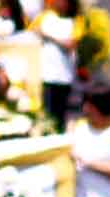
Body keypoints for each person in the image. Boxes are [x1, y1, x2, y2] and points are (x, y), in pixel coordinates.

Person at [35, 0, 82, 128]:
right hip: (48, 73)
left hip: (64, 74)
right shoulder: (45, 17)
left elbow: (71, 44)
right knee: (48, 113)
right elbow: (33, 30)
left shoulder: (76, 21)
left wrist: (50, 37)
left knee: (61, 112)